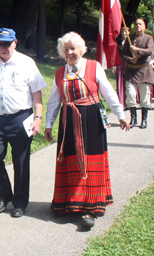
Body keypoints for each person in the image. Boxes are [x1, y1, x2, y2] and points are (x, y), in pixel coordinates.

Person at [44, 32, 130, 228]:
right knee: (70, 159)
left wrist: (121, 114)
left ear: (81, 49)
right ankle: (67, 202)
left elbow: (108, 91)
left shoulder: (93, 66)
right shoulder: (59, 73)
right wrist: (49, 124)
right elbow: (54, 101)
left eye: (73, 48)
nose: (70, 52)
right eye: (66, 49)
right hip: (68, 120)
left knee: (90, 162)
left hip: (91, 119)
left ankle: (90, 208)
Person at [0, 28, 47, 218]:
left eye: (7, 43)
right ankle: (3, 196)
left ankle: (20, 203)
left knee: (21, 162)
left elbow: (36, 93)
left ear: (15, 43)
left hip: (21, 119)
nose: (3, 47)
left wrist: (38, 118)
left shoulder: (26, 63)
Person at [119, 18, 154, 129]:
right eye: (136, 24)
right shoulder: (130, 38)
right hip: (131, 72)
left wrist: (137, 50)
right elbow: (123, 54)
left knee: (144, 98)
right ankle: (133, 119)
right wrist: (130, 59)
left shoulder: (149, 38)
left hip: (144, 71)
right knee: (130, 96)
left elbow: (150, 51)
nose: (138, 26)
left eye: (140, 24)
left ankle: (144, 120)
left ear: (144, 26)